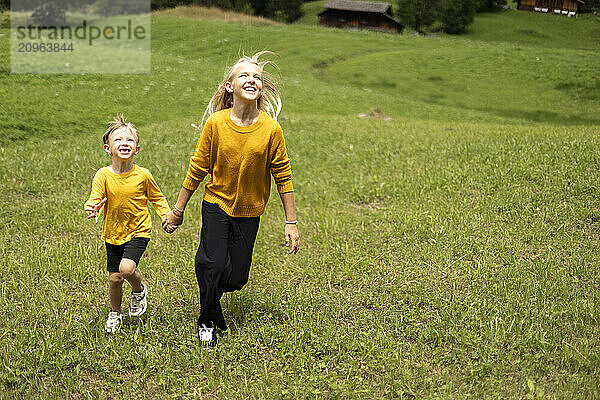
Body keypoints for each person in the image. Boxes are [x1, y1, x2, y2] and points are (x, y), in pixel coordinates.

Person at [163, 51, 300, 345]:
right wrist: (178, 209)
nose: (252, 80)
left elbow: (283, 176)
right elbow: (197, 168)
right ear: (230, 86)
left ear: (261, 88)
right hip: (216, 204)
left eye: (257, 78)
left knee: (237, 278)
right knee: (211, 263)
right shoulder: (217, 124)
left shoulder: (271, 130)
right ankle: (207, 319)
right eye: (244, 75)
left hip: (250, 211)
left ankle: (210, 296)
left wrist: (291, 222)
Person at [85, 115, 172, 333]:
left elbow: (157, 198)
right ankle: (115, 313)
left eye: (130, 140)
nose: (125, 143)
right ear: (108, 148)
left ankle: (139, 290)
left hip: (138, 230)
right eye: (119, 140)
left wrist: (165, 215)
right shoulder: (103, 175)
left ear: (137, 149)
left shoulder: (143, 175)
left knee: (126, 268)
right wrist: (92, 207)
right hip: (112, 232)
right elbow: (94, 198)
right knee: (114, 278)